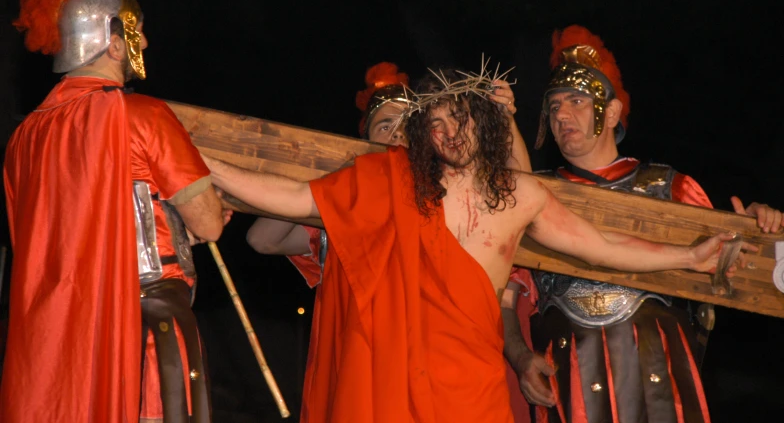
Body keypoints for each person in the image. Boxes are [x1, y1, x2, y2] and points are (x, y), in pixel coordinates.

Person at [202, 63, 747, 423]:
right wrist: (205, 167)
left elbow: (599, 248)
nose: (448, 133)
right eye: (434, 124)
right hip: (399, 382)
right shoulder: (389, 181)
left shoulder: (522, 197)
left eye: (458, 117)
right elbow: (294, 198)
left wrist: (687, 256)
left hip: (473, 387)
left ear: (483, 123)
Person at [502, 25, 780, 423]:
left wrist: (760, 227)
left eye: (577, 100)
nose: (561, 113)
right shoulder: (535, 195)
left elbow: (737, 262)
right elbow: (506, 294)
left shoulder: (673, 188)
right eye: (554, 105)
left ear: (611, 111)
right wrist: (519, 355)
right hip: (568, 376)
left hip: (659, 373)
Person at [1, 0, 225, 423]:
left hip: (50, 337)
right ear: (114, 41)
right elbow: (209, 223)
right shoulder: (140, 115)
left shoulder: (22, 140)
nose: (144, 42)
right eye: (137, 31)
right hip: (140, 325)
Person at [245, 61, 528, 421]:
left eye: (406, 125)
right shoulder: (347, 204)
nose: (396, 134)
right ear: (363, 142)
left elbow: (516, 192)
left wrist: (505, 120)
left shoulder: (445, 201)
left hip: (427, 368)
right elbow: (262, 239)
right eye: (384, 125)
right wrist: (324, 171)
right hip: (356, 360)